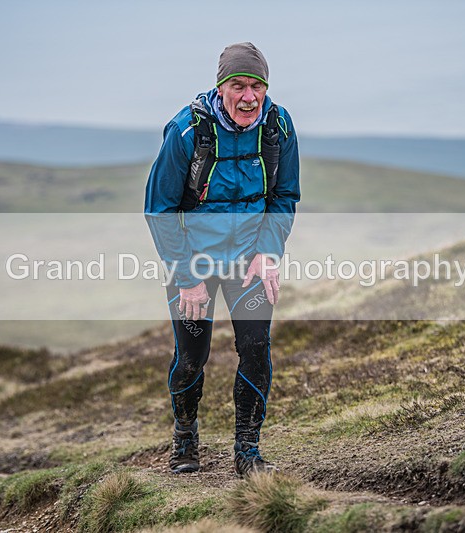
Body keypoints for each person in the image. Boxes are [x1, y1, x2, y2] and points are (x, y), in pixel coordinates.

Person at [145, 43, 300, 477]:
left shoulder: (278, 127)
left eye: (257, 86)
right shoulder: (185, 131)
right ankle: (185, 438)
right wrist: (187, 274)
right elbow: (158, 208)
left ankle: (247, 452)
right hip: (192, 263)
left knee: (256, 349)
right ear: (221, 88)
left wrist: (269, 253)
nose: (249, 96)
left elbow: (284, 196)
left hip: (249, 260)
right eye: (238, 86)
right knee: (192, 355)